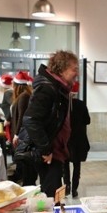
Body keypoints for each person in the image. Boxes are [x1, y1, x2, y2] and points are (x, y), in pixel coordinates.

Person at [17, 50, 79, 201]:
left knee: (54, 198)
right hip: (46, 154)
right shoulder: (48, 88)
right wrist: (46, 149)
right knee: (52, 200)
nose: (77, 73)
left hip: (53, 152)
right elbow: (31, 119)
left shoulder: (58, 88)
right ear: (62, 69)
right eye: (74, 69)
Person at [63, 82, 90, 198]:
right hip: (79, 139)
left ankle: (67, 186)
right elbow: (87, 120)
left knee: (65, 164)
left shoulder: (63, 104)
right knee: (76, 165)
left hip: (65, 139)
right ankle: (74, 189)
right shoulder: (81, 104)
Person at [9, 71, 36, 185]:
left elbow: (21, 116)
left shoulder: (24, 96)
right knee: (23, 162)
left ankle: (27, 185)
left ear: (16, 85)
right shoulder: (22, 96)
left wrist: (16, 134)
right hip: (21, 134)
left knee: (25, 163)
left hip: (22, 135)